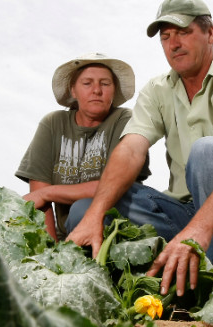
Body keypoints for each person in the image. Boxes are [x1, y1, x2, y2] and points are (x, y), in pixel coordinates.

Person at [67, 0, 213, 296]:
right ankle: (137, 289)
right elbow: (132, 148)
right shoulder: (157, 90)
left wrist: (199, 231)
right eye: (166, 36)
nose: (173, 44)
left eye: (183, 32)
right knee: (86, 209)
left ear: (210, 33)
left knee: (208, 150)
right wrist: (96, 214)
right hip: (190, 217)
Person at [15, 53, 151, 240]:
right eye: (87, 83)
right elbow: (38, 199)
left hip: (115, 229)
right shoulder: (52, 124)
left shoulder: (124, 120)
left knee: (81, 209)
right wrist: (51, 254)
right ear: (73, 91)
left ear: (113, 90)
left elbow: (112, 186)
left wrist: (49, 193)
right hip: (66, 237)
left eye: (105, 84)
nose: (96, 90)